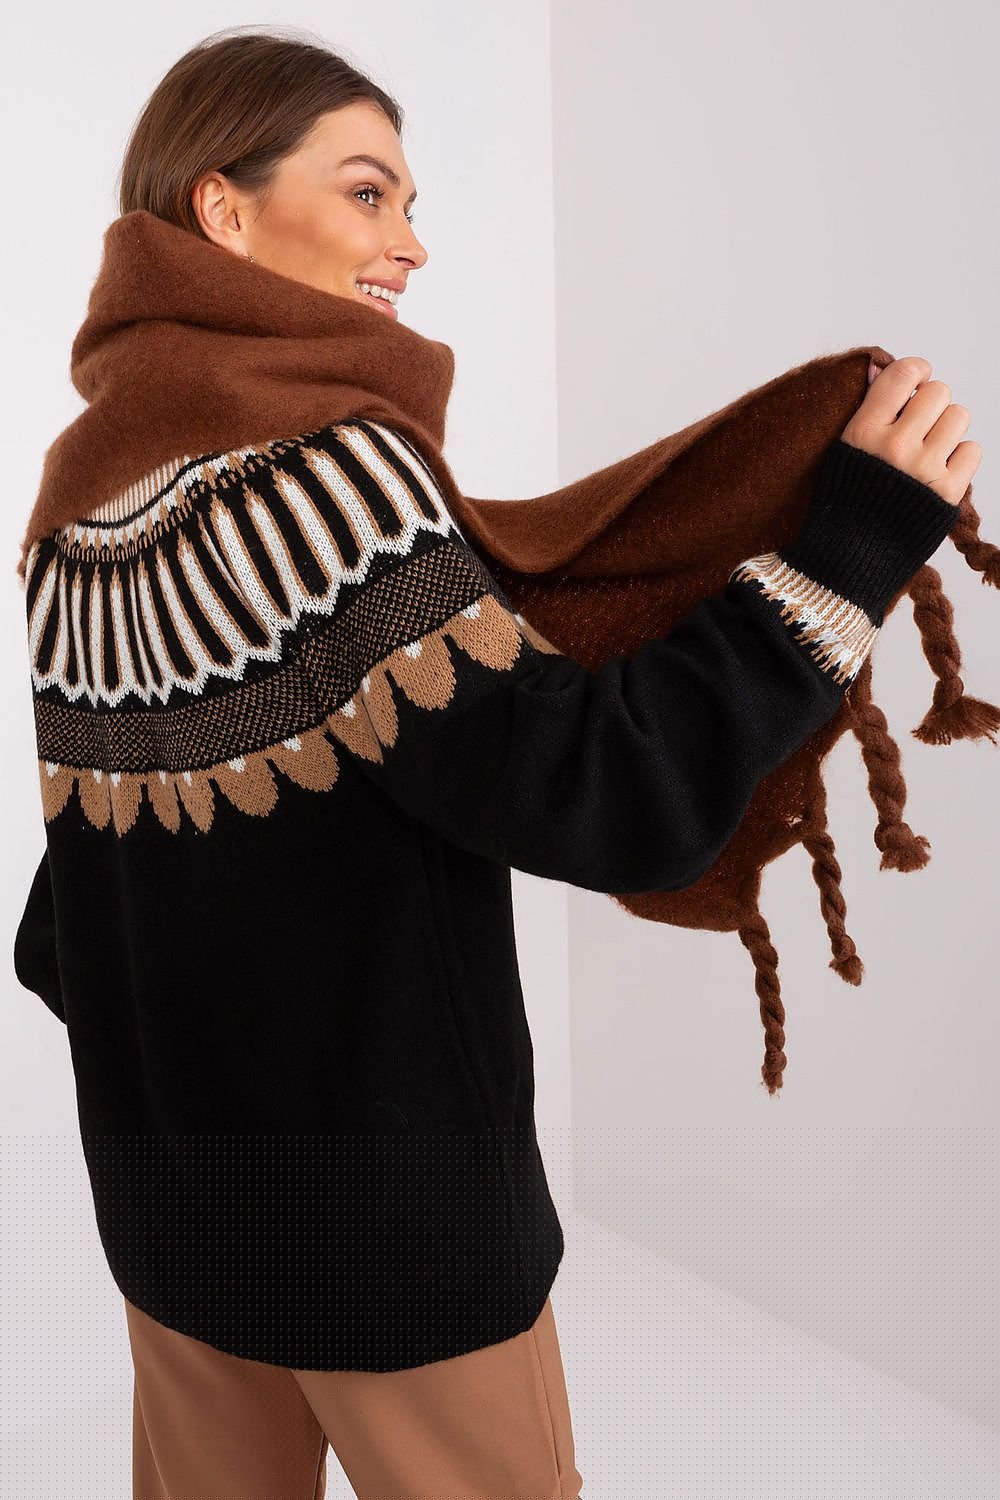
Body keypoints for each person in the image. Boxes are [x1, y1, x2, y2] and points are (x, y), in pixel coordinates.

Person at [12, 26, 976, 1500]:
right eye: (368, 192)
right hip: (395, 1235)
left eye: (410, 203)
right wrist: (844, 551)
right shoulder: (334, 475)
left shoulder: (80, 498)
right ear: (223, 210)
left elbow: (72, 919)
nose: (410, 241)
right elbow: (609, 802)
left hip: (171, 1210)